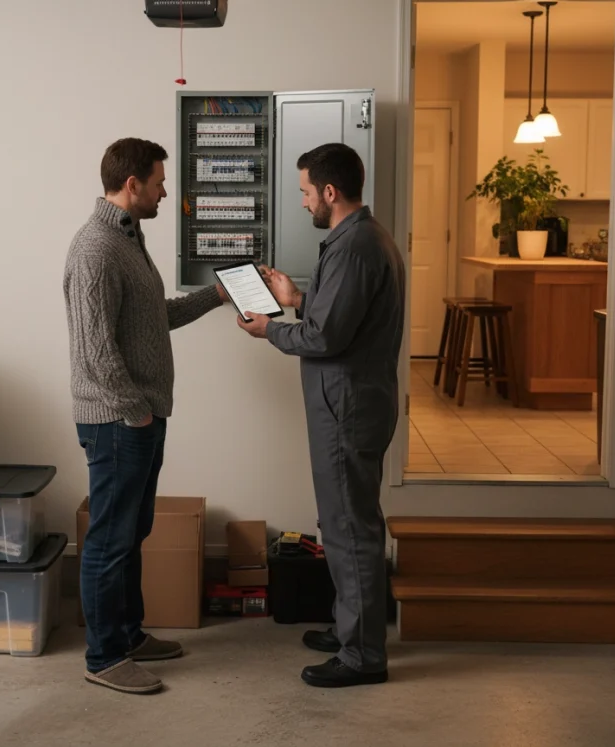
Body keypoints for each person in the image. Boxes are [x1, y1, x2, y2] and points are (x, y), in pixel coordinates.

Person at [236, 142, 405, 688]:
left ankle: (361, 656)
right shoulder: (362, 239)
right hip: (353, 401)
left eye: (307, 191)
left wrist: (270, 329)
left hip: (347, 406)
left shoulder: (355, 247)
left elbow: (326, 336)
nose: (305, 201)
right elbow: (340, 314)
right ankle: (349, 627)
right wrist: (295, 296)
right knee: (343, 523)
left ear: (330, 192)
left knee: (350, 527)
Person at [63, 137, 225, 694]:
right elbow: (95, 351)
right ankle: (104, 657)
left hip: (142, 416)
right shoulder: (95, 250)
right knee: (109, 539)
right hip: (117, 421)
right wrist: (134, 413)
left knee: (133, 531)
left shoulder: (128, 239)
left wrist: (219, 293)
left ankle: (128, 635)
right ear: (131, 185)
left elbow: (157, 317)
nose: (164, 192)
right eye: (159, 182)